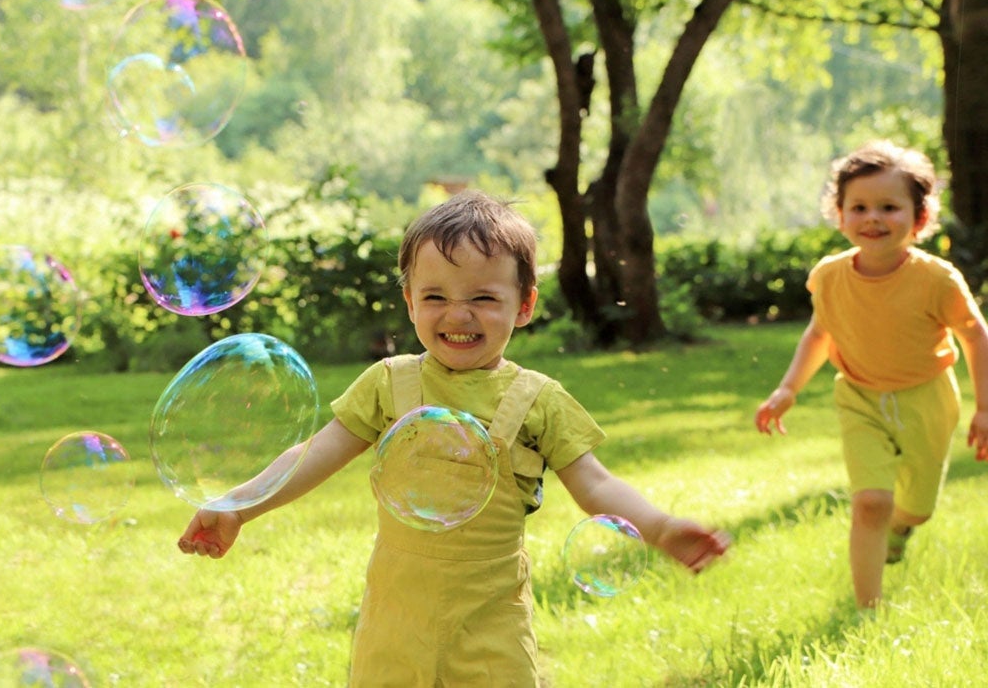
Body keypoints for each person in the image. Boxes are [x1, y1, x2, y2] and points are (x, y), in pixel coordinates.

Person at [178, 190, 730, 686]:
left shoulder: (537, 400)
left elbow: (595, 483)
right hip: (394, 626)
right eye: (435, 296)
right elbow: (315, 452)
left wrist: (659, 527)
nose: (458, 315)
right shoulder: (389, 384)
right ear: (410, 302)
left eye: (483, 298)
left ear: (525, 305)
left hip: (492, 628)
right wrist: (239, 505)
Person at [755, 140, 988, 610]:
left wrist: (984, 408)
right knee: (870, 503)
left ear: (920, 217)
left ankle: (901, 528)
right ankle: (868, 610)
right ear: (839, 215)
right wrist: (788, 388)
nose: (872, 218)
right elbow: (820, 332)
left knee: (915, 509)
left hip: (927, 398)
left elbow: (975, 336)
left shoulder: (937, 280)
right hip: (859, 397)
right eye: (858, 207)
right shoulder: (829, 276)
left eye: (889, 207)